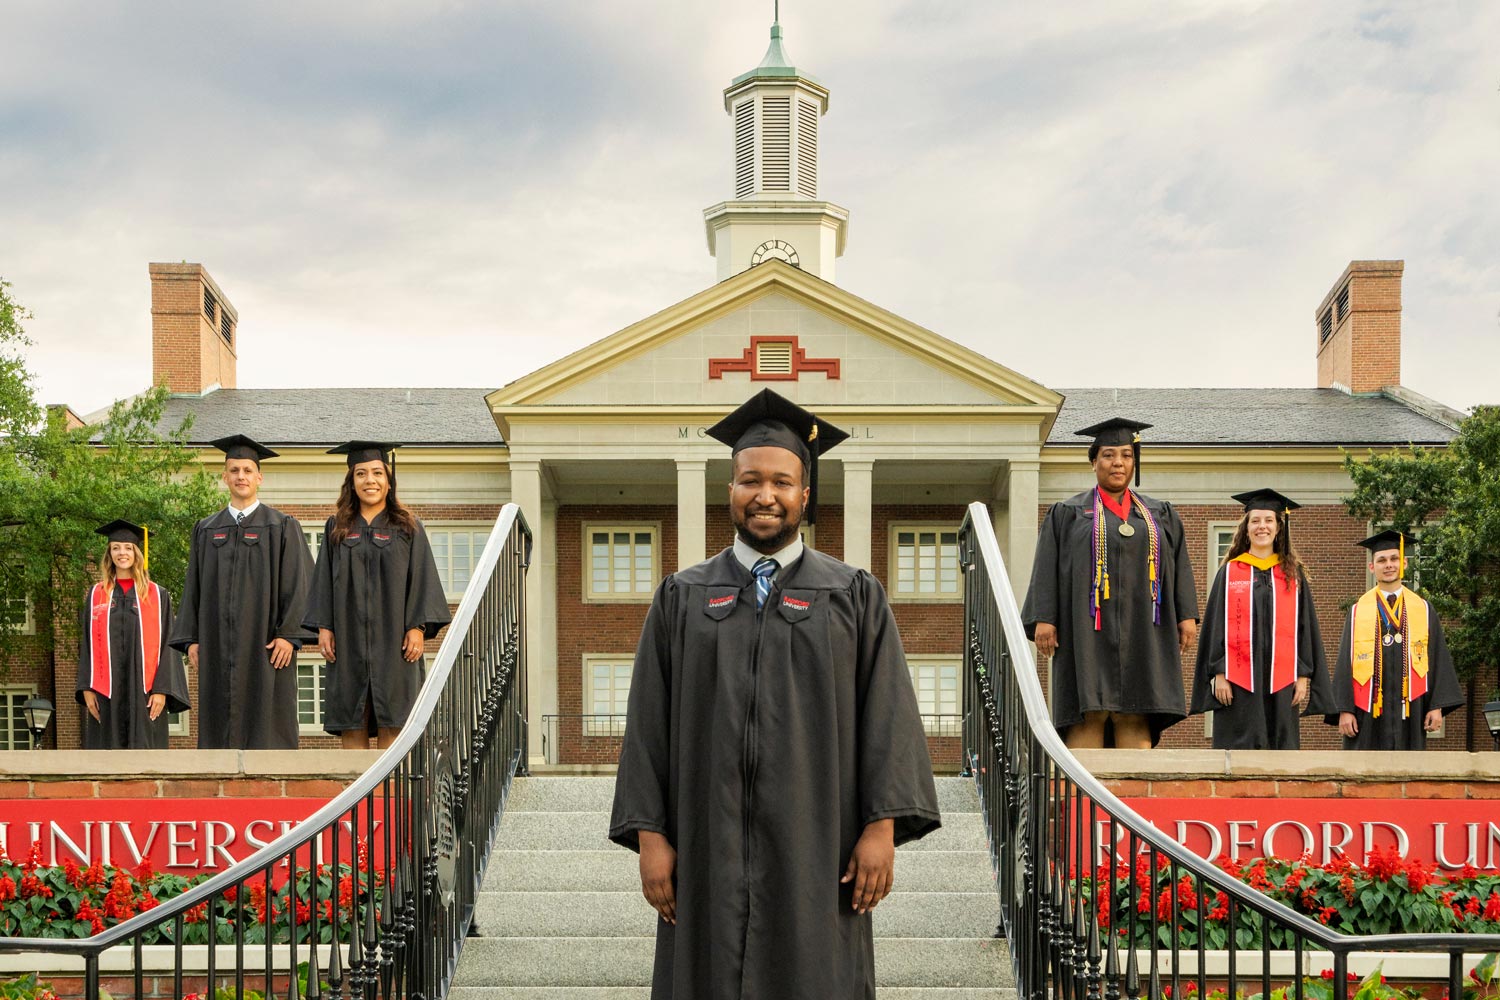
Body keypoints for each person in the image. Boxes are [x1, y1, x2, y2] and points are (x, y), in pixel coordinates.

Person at [609, 388, 940, 1000]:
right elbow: (647, 723)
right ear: (730, 490)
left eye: (782, 482)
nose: (766, 495)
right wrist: (650, 836)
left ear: (805, 495)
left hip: (819, 843)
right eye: (750, 480)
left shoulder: (853, 595)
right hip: (706, 842)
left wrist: (882, 827)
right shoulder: (682, 596)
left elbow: (887, 713)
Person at [1022, 417, 1199, 749]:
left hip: (1144, 627)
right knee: (1089, 711)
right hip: (1086, 628)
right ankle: (1081, 798)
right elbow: (1046, 565)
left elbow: (1178, 562)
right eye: (1108, 454)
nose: (1118, 462)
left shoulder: (1159, 514)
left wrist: (1185, 614)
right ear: (1093, 462)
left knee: (1135, 711)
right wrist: (1044, 618)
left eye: (1126, 455)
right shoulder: (1067, 513)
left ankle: (1134, 798)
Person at [303, 441, 451, 749]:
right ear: (351, 482)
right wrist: (324, 627)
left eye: (376, 473)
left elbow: (421, 578)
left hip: (394, 640)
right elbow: (323, 581)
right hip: (348, 640)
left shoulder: (407, 527)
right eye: (361, 474)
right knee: (352, 720)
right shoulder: (337, 527)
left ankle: (388, 795)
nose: (369, 480)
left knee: (393, 720)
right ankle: (355, 796)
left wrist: (417, 627)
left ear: (388, 479)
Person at [169, 435, 313, 749]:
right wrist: (192, 638)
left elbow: (299, 583)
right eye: (234, 470)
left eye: (247, 470)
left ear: (259, 477)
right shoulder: (207, 529)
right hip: (216, 644)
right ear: (224, 477)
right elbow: (193, 584)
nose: (241, 476)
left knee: (268, 722)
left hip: (266, 645)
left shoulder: (282, 526)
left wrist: (290, 635)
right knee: (219, 719)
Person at [1189, 490, 1332, 749]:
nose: (1261, 526)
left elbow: (1305, 628)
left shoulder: (1293, 575)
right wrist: (1219, 672)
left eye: (1268, 520)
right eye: (1255, 521)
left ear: (1279, 528)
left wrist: (1302, 674)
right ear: (1246, 528)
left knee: (1279, 744)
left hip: (1282, 678)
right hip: (1238, 679)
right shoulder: (1231, 572)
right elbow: (1215, 625)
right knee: (1238, 741)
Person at [1326, 530, 1464, 750]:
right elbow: (1345, 663)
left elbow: (1438, 658)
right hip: (1367, 709)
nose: (1388, 565)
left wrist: (1436, 706)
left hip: (1410, 708)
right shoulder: (1358, 611)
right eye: (1381, 560)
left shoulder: (1423, 610)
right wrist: (1345, 709)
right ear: (1372, 567)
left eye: (1394, 559)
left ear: (1404, 564)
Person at [75, 520, 190, 749]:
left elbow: (168, 643)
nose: (122, 553)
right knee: (107, 753)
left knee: (146, 754)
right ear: (109, 553)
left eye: (128, 548)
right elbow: (87, 644)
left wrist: (161, 690)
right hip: (106, 691)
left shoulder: (157, 595)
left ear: (137, 553)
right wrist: (87, 687)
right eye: (116, 547)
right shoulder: (97, 595)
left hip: (145, 692)